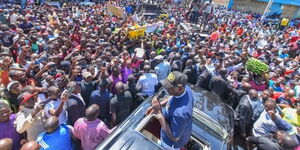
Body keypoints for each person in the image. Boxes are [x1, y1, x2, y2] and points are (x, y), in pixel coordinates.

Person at [147, 71, 193, 150]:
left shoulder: (181, 113)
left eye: (169, 87)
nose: (166, 88)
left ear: (179, 88)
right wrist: (160, 104)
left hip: (169, 143)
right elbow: (173, 96)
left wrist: (159, 113)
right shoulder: (186, 89)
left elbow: (174, 138)